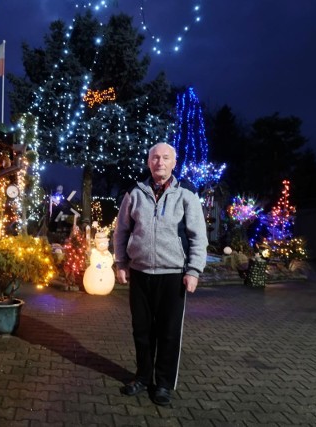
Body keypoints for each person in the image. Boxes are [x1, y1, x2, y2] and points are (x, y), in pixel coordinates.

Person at [113, 142, 208, 406]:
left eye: (166, 158)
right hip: (140, 273)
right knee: (141, 331)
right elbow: (121, 231)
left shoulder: (186, 194)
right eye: (155, 158)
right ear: (148, 162)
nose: (160, 162)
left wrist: (194, 271)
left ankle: (163, 384)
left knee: (168, 332)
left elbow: (198, 236)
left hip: (173, 275)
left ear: (174, 163)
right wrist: (121, 263)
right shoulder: (134, 193)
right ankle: (143, 377)